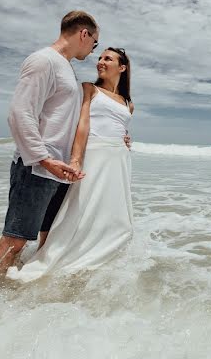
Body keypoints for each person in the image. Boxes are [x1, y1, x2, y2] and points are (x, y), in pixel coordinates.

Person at [0, 11, 100, 273]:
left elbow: (68, 120)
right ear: (84, 34)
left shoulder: (65, 67)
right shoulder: (44, 61)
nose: (93, 51)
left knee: (49, 240)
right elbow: (20, 112)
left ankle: (24, 291)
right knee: (16, 239)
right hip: (37, 167)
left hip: (58, 169)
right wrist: (44, 159)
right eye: (95, 44)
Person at [7, 47, 134, 281]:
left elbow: (120, 128)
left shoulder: (128, 103)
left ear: (122, 67)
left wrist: (125, 140)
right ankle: (51, 255)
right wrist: (75, 159)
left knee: (109, 212)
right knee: (78, 208)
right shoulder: (88, 89)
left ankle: (98, 256)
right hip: (93, 154)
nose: (101, 61)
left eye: (108, 58)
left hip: (117, 160)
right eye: (100, 57)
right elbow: (82, 124)